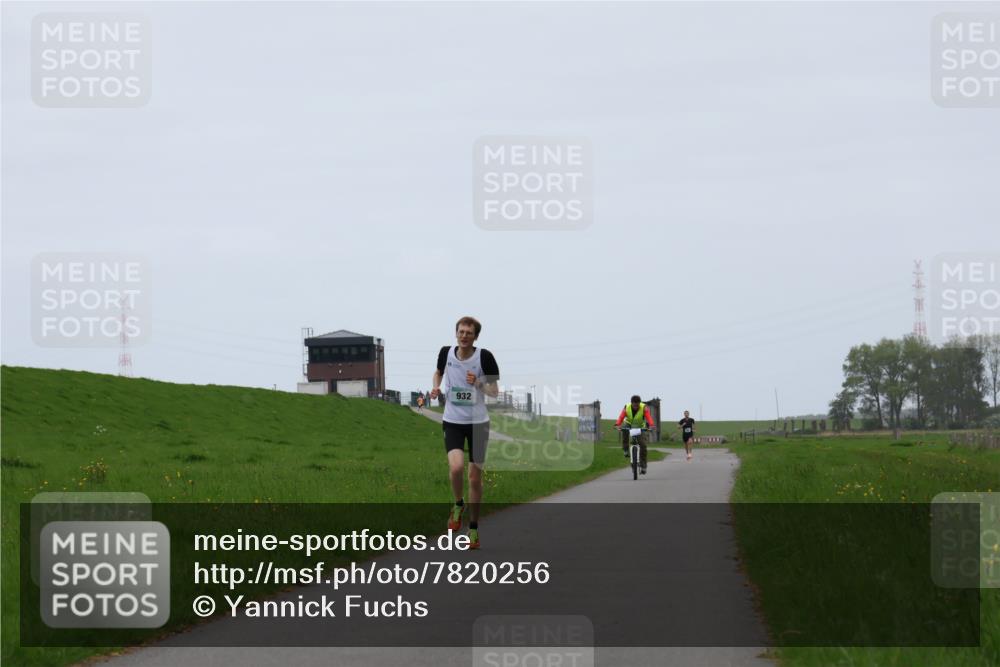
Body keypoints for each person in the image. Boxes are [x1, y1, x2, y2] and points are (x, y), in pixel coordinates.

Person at [430, 316, 499, 549]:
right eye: (461, 331)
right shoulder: (446, 353)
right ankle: (458, 504)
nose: (464, 335)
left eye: (469, 332)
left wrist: (478, 382)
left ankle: (474, 529)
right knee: (456, 467)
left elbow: (494, 392)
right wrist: (436, 386)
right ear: (456, 333)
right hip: (453, 421)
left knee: (474, 477)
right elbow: (438, 372)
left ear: (475, 336)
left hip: (479, 424)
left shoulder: (485, 357)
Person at [615, 395, 654, 474]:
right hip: (629, 424)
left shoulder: (644, 408)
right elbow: (621, 417)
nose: (636, 407)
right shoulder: (627, 407)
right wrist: (617, 424)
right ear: (631, 403)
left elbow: (648, 417)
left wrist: (652, 425)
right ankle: (626, 449)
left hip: (640, 426)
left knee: (643, 445)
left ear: (640, 403)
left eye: (637, 405)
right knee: (624, 429)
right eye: (634, 405)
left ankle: (643, 466)